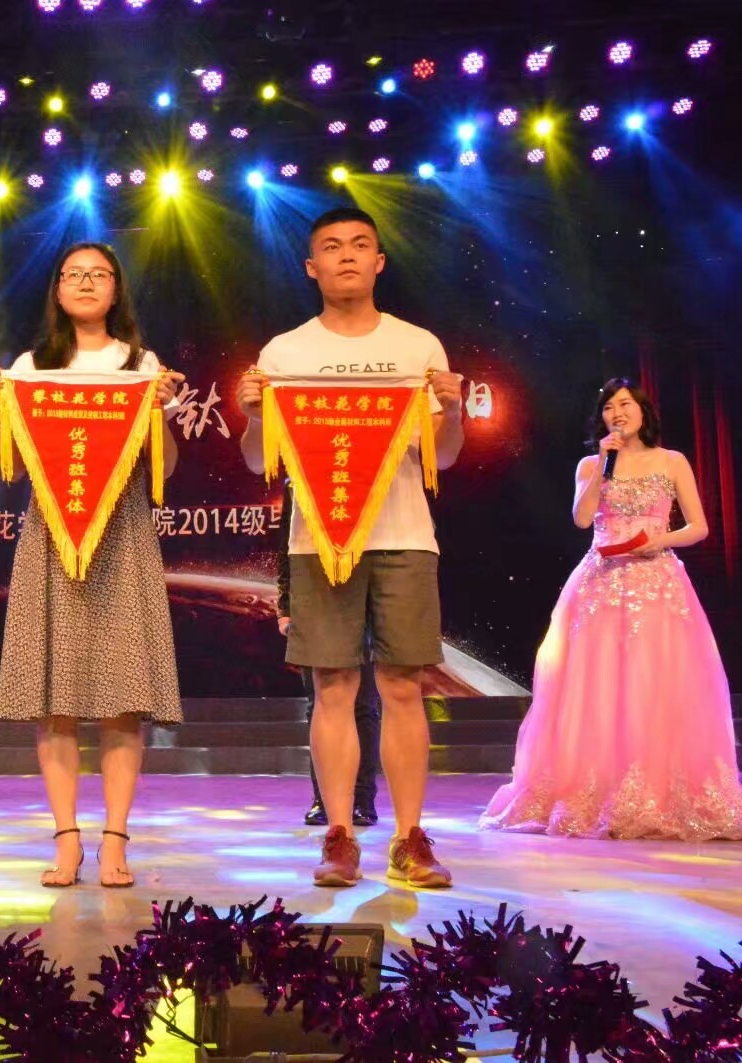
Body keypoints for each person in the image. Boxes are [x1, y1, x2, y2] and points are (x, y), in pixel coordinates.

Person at [238, 207, 464, 889]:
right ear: (312, 267)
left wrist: (452, 410)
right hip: (319, 542)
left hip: (404, 536)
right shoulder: (285, 352)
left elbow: (442, 457)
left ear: (378, 262)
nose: (346, 255)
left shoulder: (418, 346)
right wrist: (254, 415)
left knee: (402, 686)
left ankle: (409, 837)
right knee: (332, 687)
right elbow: (259, 461)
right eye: (332, 247)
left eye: (360, 245)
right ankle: (338, 835)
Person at [0, 241, 184, 889]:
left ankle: (115, 839)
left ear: (117, 288)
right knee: (56, 700)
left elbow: (165, 467)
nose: (87, 283)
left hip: (121, 532)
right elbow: (11, 463)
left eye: (100, 274)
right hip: (52, 534)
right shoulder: (31, 366)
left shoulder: (140, 365)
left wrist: (157, 411)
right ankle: (66, 839)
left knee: (123, 698)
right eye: (74, 274)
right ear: (58, 289)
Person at [480, 380, 742, 840]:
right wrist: (602, 469)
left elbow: (699, 527)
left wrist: (660, 540)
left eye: (625, 404)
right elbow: (581, 519)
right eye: (608, 407)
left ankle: (658, 788)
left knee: (656, 683)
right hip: (600, 584)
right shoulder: (592, 464)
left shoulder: (672, 461)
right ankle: (594, 786)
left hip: (656, 582)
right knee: (596, 686)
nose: (617, 412)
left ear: (643, 411)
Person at [276, 483, 379, 827]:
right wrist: (285, 605)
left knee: (363, 703)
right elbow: (287, 541)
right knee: (320, 700)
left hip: (367, 585)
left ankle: (362, 798)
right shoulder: (299, 470)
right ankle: (324, 799)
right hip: (316, 585)